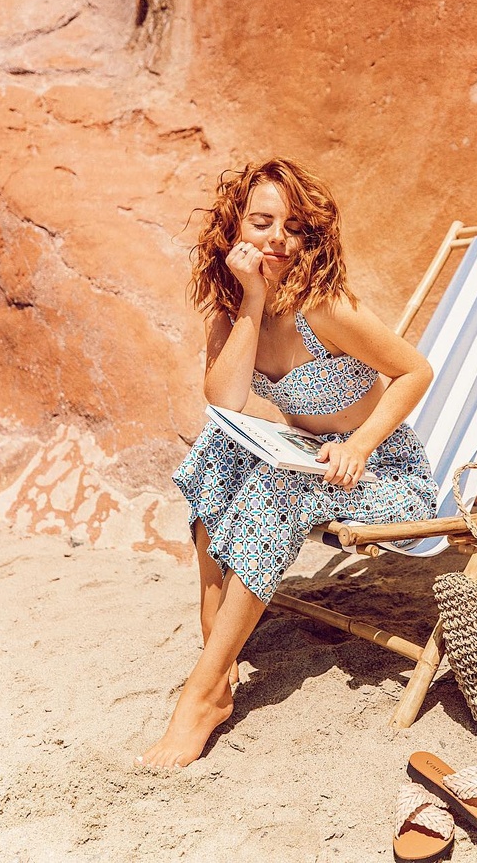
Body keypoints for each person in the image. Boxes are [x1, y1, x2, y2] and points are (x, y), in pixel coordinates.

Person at [135, 157, 438, 769]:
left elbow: (415, 371)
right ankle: (215, 649)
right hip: (308, 462)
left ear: (309, 237)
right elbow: (224, 400)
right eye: (262, 222)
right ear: (234, 229)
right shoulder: (230, 309)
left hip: (381, 475)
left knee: (277, 489)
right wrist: (250, 299)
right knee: (214, 450)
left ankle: (203, 693)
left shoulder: (324, 306)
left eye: (294, 227)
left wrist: (360, 445)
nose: (277, 238)